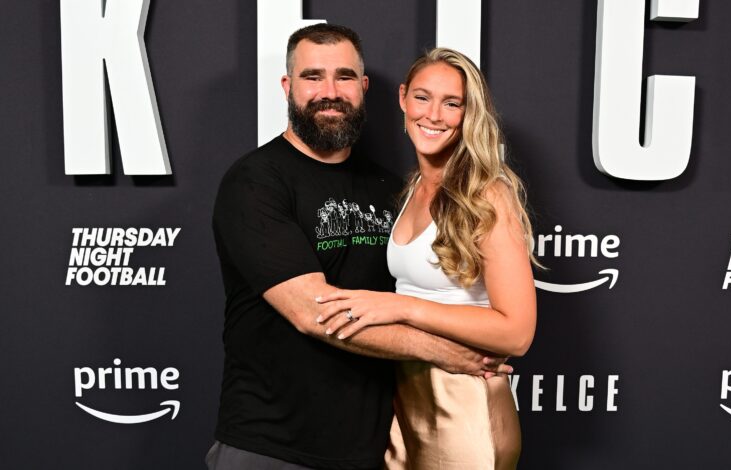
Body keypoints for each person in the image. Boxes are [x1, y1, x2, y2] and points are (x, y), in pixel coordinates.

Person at [208, 25, 512, 470]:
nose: (330, 92)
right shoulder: (256, 182)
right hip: (271, 446)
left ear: (364, 87)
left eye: (345, 77)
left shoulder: (392, 189)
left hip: (374, 449)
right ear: (288, 86)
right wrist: (443, 351)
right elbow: (314, 313)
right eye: (313, 76)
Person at [315, 48, 538, 469]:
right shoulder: (413, 187)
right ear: (403, 98)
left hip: (465, 405)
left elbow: (517, 333)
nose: (433, 115)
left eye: (452, 103)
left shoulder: (488, 195)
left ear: (468, 114)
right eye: (422, 97)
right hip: (406, 402)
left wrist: (401, 307)